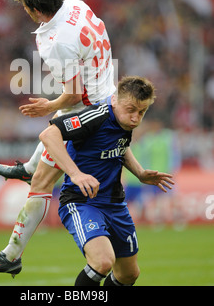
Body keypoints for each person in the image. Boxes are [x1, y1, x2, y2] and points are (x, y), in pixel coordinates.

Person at [0, 0, 116, 276]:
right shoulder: (77, 5)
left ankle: (11, 255)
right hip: (105, 98)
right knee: (51, 135)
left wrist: (48, 104)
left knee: (42, 181)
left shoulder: (55, 42)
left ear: (35, 10)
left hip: (92, 116)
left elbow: (73, 95)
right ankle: (30, 167)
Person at [39, 76, 174, 286]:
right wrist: (75, 173)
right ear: (114, 100)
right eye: (131, 109)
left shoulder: (124, 122)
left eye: (142, 112)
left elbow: (120, 145)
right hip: (82, 201)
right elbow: (49, 135)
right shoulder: (96, 116)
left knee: (129, 274)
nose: (136, 118)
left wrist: (139, 173)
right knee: (103, 262)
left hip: (115, 204)